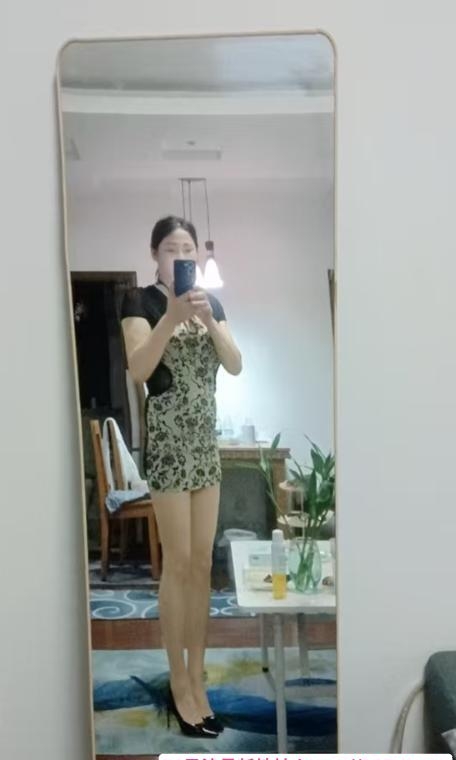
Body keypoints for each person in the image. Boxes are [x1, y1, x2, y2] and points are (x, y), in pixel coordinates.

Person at [121, 215, 242, 737]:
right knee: (178, 565)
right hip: (169, 450)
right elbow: (139, 369)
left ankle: (198, 677)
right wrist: (171, 318)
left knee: (202, 566)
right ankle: (177, 681)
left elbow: (234, 364)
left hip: (204, 450)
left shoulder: (211, 304)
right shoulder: (140, 302)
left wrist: (208, 320)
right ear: (155, 255)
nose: (181, 256)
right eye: (171, 248)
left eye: (188, 248)